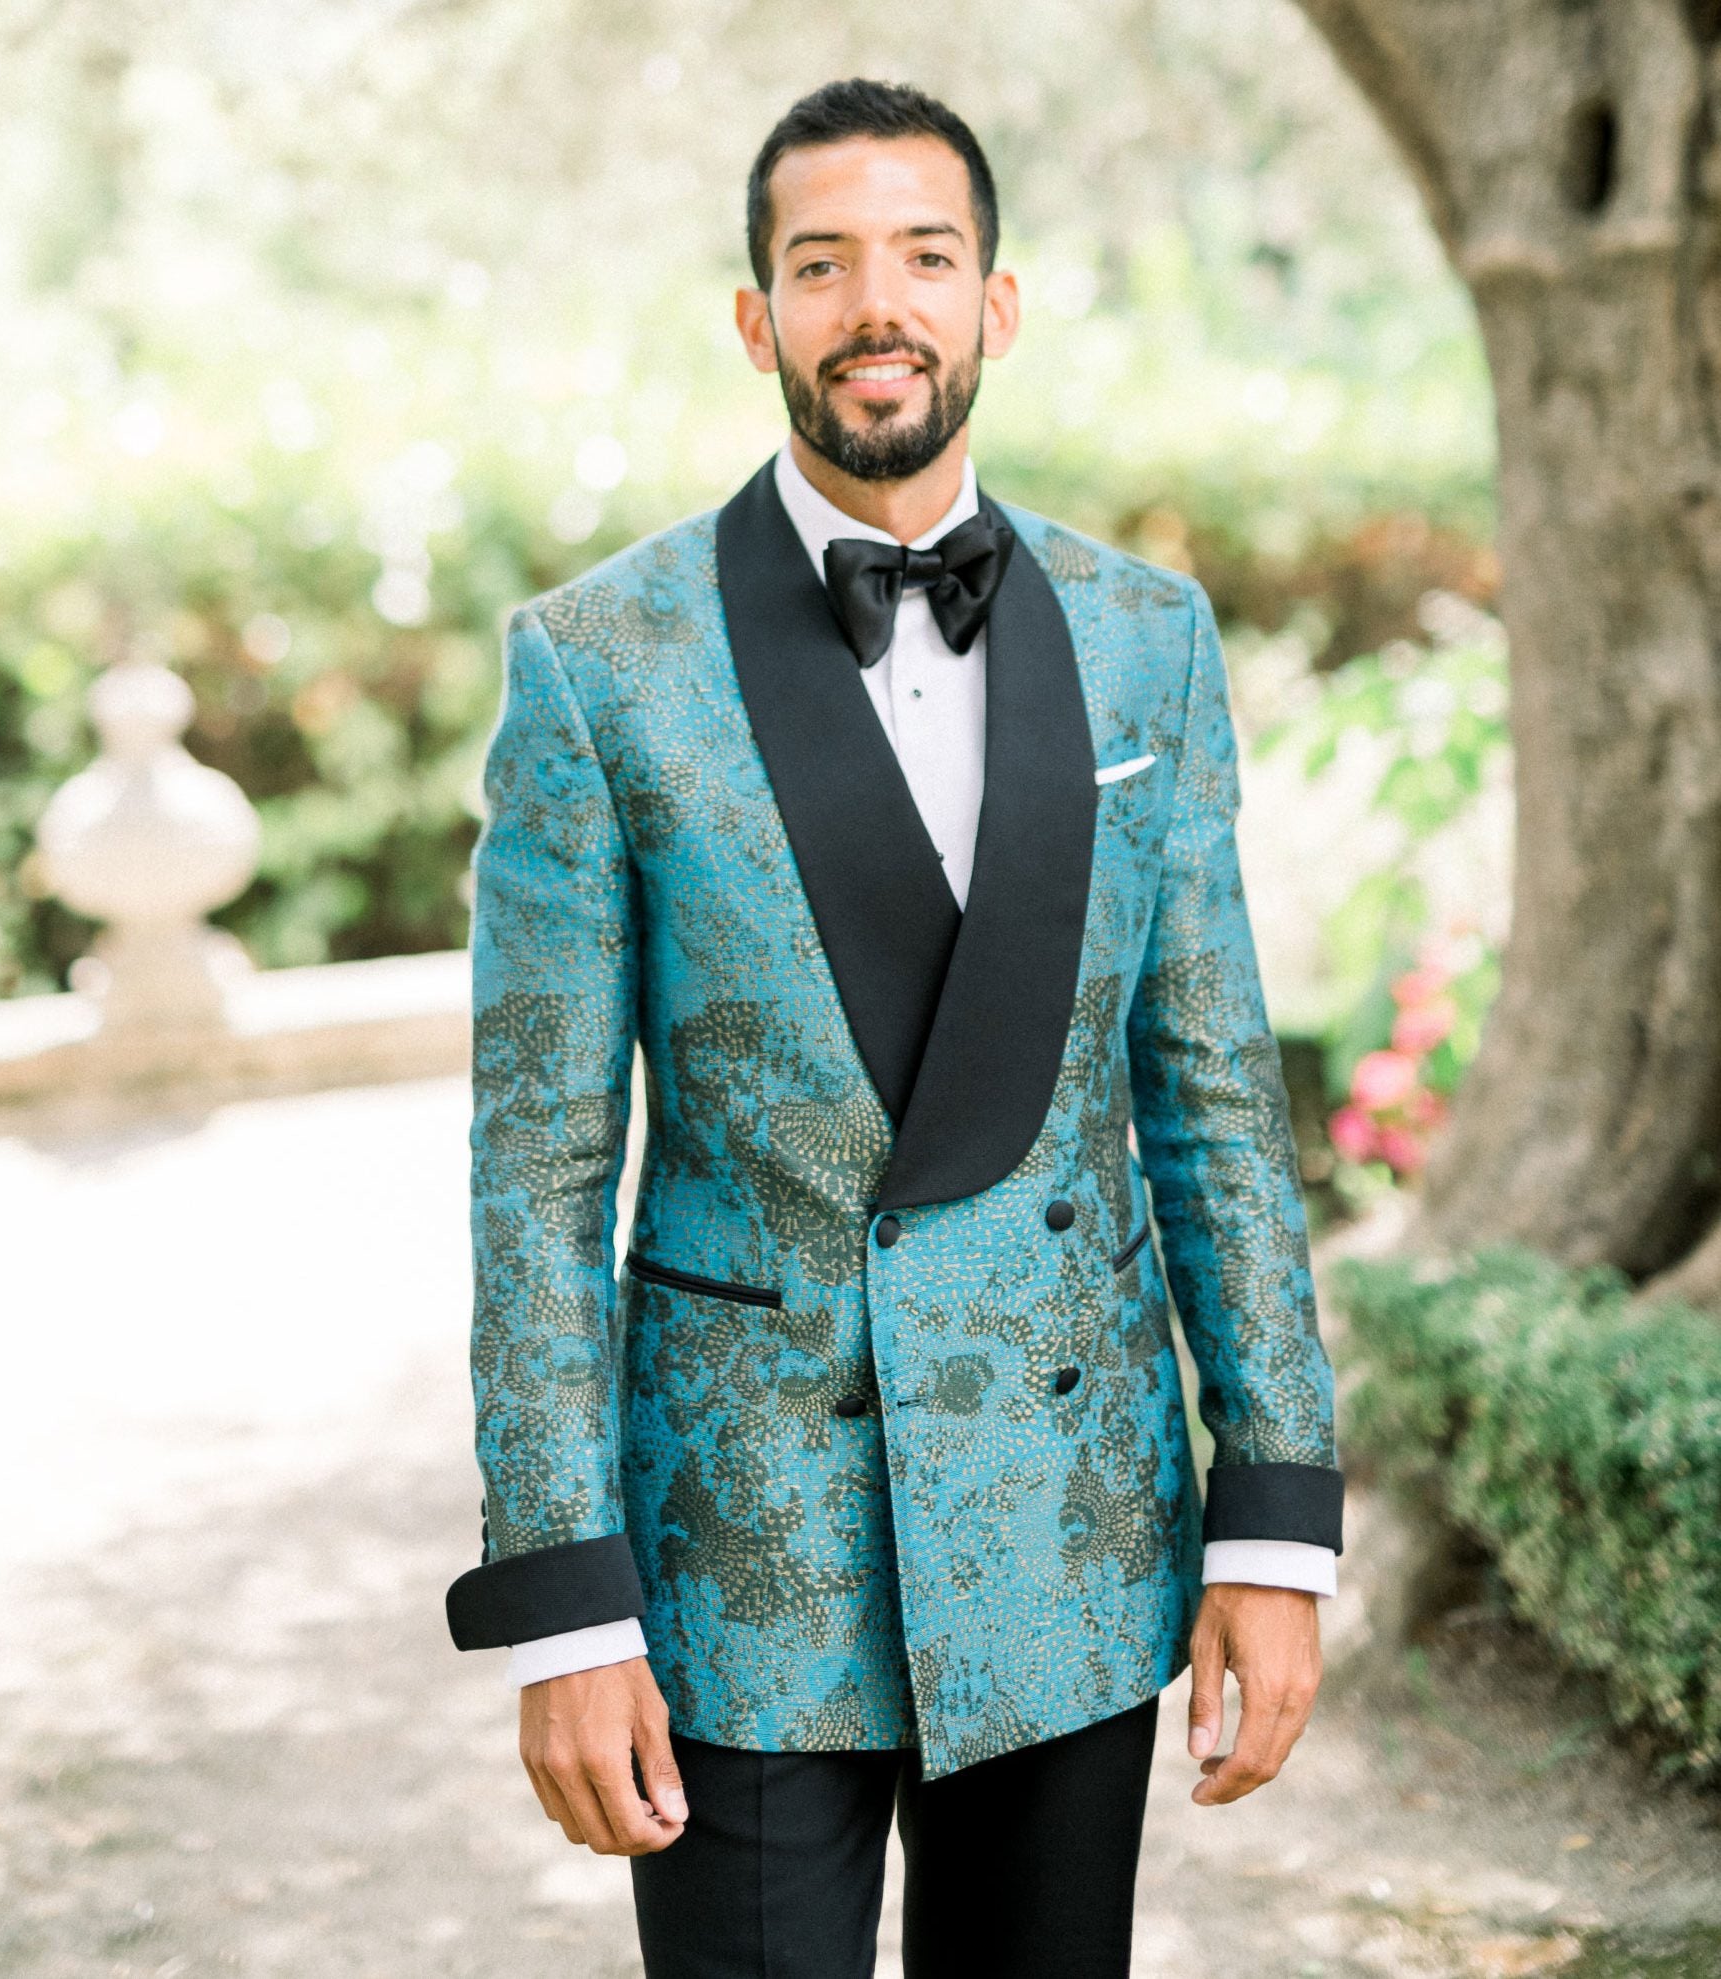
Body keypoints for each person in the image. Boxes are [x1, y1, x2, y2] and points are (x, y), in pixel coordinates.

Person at [444, 76, 1342, 1979]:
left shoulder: (1146, 636)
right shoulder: (596, 670)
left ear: (995, 305)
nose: (880, 304)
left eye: (926, 256)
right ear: (757, 320)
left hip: (1071, 1526)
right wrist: (564, 1606)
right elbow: (536, 1169)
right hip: (741, 1549)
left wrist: (1269, 1527)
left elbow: (1210, 1106)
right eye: (821, 261)